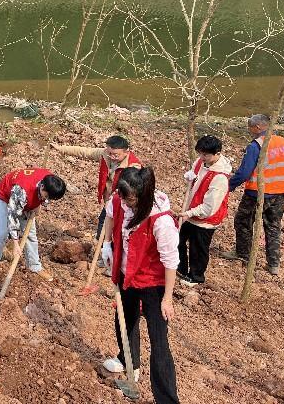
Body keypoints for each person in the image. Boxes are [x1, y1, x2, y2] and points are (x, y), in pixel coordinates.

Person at [101, 167, 179, 404]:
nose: (123, 201)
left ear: (142, 196)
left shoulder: (160, 220)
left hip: (153, 282)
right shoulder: (120, 200)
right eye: (121, 196)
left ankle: (166, 399)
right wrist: (107, 244)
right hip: (126, 274)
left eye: (128, 198)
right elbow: (110, 215)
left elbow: (170, 260)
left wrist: (167, 298)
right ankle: (129, 361)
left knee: (159, 340)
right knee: (125, 318)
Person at [221, 114, 284, 275]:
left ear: (258, 127)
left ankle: (242, 253)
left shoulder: (256, 145)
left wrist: (228, 186)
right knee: (273, 227)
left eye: (250, 127)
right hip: (280, 193)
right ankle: (274, 264)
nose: (249, 131)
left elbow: (244, 172)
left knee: (242, 221)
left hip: (257, 193)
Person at [0, 168, 67, 286]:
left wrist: (39, 203)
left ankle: (34, 266)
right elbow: (12, 216)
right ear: (42, 186)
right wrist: (16, 243)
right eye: (47, 197)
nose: (48, 200)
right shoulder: (21, 191)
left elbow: (43, 196)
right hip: (6, 198)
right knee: (1, 234)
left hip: (26, 200)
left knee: (30, 235)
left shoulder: (50, 179)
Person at [51, 135, 142, 238]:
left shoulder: (133, 168)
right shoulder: (105, 155)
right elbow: (86, 152)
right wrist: (61, 148)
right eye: (110, 153)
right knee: (102, 233)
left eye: (116, 155)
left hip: (125, 207)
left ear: (127, 152)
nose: (112, 157)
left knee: (120, 237)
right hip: (109, 203)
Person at [177, 135, 231, 287]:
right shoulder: (201, 161)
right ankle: (181, 268)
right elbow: (195, 176)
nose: (201, 157)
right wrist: (190, 176)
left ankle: (196, 276)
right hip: (191, 210)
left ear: (217, 153)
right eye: (200, 153)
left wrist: (189, 213)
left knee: (198, 248)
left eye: (205, 155)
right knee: (178, 238)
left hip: (205, 219)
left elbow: (209, 208)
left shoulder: (220, 178)